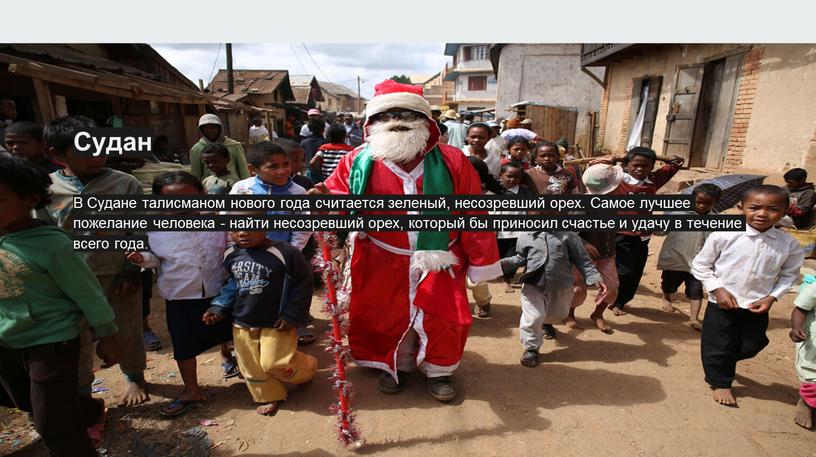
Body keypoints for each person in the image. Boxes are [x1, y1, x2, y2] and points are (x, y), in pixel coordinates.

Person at [312, 80, 501, 401]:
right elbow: (339, 200)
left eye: (406, 114)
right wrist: (323, 201)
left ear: (425, 122)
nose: (397, 121)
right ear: (372, 123)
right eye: (388, 115)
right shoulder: (357, 161)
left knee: (445, 318)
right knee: (385, 316)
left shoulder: (454, 160)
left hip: (442, 256)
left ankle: (439, 372)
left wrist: (481, 262)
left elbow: (474, 212)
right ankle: (394, 366)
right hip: (382, 257)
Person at [0, 156, 121, 456]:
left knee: (53, 425)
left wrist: (108, 335)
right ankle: (88, 410)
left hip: (52, 340)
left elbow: (89, 294)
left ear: (30, 199)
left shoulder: (53, 245)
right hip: (6, 338)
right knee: (26, 400)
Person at [37, 116, 149, 407]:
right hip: (69, 280)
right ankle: (83, 393)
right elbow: (44, 235)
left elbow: (138, 229)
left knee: (127, 327)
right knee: (76, 337)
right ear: (57, 155)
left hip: (115, 272)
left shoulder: (125, 184)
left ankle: (134, 375)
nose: (97, 156)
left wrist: (131, 269)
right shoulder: (47, 189)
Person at [126, 171, 238, 417]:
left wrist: (234, 260)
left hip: (220, 289)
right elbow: (156, 260)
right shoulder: (156, 231)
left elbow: (231, 245)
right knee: (184, 345)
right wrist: (142, 258)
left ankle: (232, 361)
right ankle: (191, 389)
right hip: (180, 295)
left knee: (232, 333)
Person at [692, 185, 804, 406]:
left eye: (772, 209)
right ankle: (720, 381)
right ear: (741, 207)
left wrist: (772, 297)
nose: (762, 214)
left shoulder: (787, 244)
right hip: (722, 303)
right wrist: (717, 288)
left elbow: (789, 275)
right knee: (719, 344)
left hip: (756, 304)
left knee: (752, 345)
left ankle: (722, 362)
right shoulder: (725, 233)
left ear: (784, 212)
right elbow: (701, 265)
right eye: (755, 207)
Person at [204, 227, 317, 416]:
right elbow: (232, 284)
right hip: (242, 320)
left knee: (275, 362)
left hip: (276, 322)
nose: (242, 233)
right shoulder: (231, 255)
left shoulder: (285, 252)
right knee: (251, 365)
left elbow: (303, 284)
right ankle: (268, 395)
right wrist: (218, 306)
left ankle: (307, 368)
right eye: (234, 229)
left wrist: (292, 315)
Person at [230, 141, 314, 344]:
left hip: (284, 255)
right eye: (273, 167)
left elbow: (302, 227)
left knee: (288, 291)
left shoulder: (297, 192)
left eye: (286, 164)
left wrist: (291, 252)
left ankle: (294, 325)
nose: (282, 171)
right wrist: (235, 246)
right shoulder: (242, 189)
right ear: (253, 169)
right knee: (255, 291)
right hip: (249, 254)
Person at [595, 147, 684, 316]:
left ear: (652, 167)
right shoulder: (617, 178)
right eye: (635, 165)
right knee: (624, 270)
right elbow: (595, 167)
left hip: (643, 235)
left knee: (635, 271)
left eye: (646, 165)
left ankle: (621, 301)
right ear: (627, 165)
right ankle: (613, 300)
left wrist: (649, 154)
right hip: (620, 233)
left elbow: (677, 161)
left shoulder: (653, 180)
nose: (640, 169)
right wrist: (620, 157)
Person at [502, 226, 607, 367]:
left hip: (561, 286)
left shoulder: (569, 236)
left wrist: (595, 277)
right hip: (532, 284)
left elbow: (582, 260)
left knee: (558, 314)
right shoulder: (525, 235)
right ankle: (531, 348)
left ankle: (546, 322)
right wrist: (499, 265)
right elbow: (521, 258)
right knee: (533, 317)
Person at [567, 163, 624, 334]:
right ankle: (569, 314)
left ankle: (597, 314)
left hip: (606, 254)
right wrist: (584, 243)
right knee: (577, 288)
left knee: (612, 286)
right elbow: (568, 230)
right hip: (581, 256)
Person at [657, 183, 721, 330]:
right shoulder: (678, 214)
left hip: (699, 263)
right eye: (698, 202)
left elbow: (719, 242)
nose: (702, 206)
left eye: (707, 203)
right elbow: (661, 231)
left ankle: (693, 318)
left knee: (696, 289)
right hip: (676, 259)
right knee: (669, 283)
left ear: (715, 203)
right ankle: (666, 296)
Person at [496, 161, 533, 293]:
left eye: (516, 177)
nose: (512, 180)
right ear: (501, 175)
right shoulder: (495, 190)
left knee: (512, 256)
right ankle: (498, 274)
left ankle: (507, 279)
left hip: (517, 232)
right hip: (498, 232)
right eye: (509, 176)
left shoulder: (524, 192)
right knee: (499, 255)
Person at [189, 113, 250, 181]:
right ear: (201, 130)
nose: (210, 130)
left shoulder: (234, 146)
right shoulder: (197, 149)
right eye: (206, 128)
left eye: (213, 127)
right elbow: (196, 174)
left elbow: (243, 170)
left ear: (219, 128)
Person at [790, 274, 816, 429]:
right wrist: (796, 328)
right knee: (812, 377)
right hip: (813, 345)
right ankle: (806, 402)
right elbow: (801, 308)